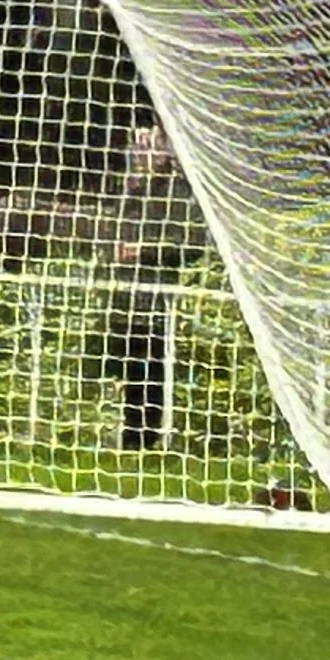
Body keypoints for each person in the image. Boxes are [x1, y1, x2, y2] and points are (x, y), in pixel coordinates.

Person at [106, 123, 194, 450]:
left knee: (153, 369)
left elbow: (187, 242)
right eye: (138, 143)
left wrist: (141, 250)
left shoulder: (178, 190)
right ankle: (131, 437)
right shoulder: (132, 190)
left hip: (160, 298)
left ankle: (151, 437)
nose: (142, 149)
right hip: (127, 298)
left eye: (149, 143)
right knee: (131, 369)